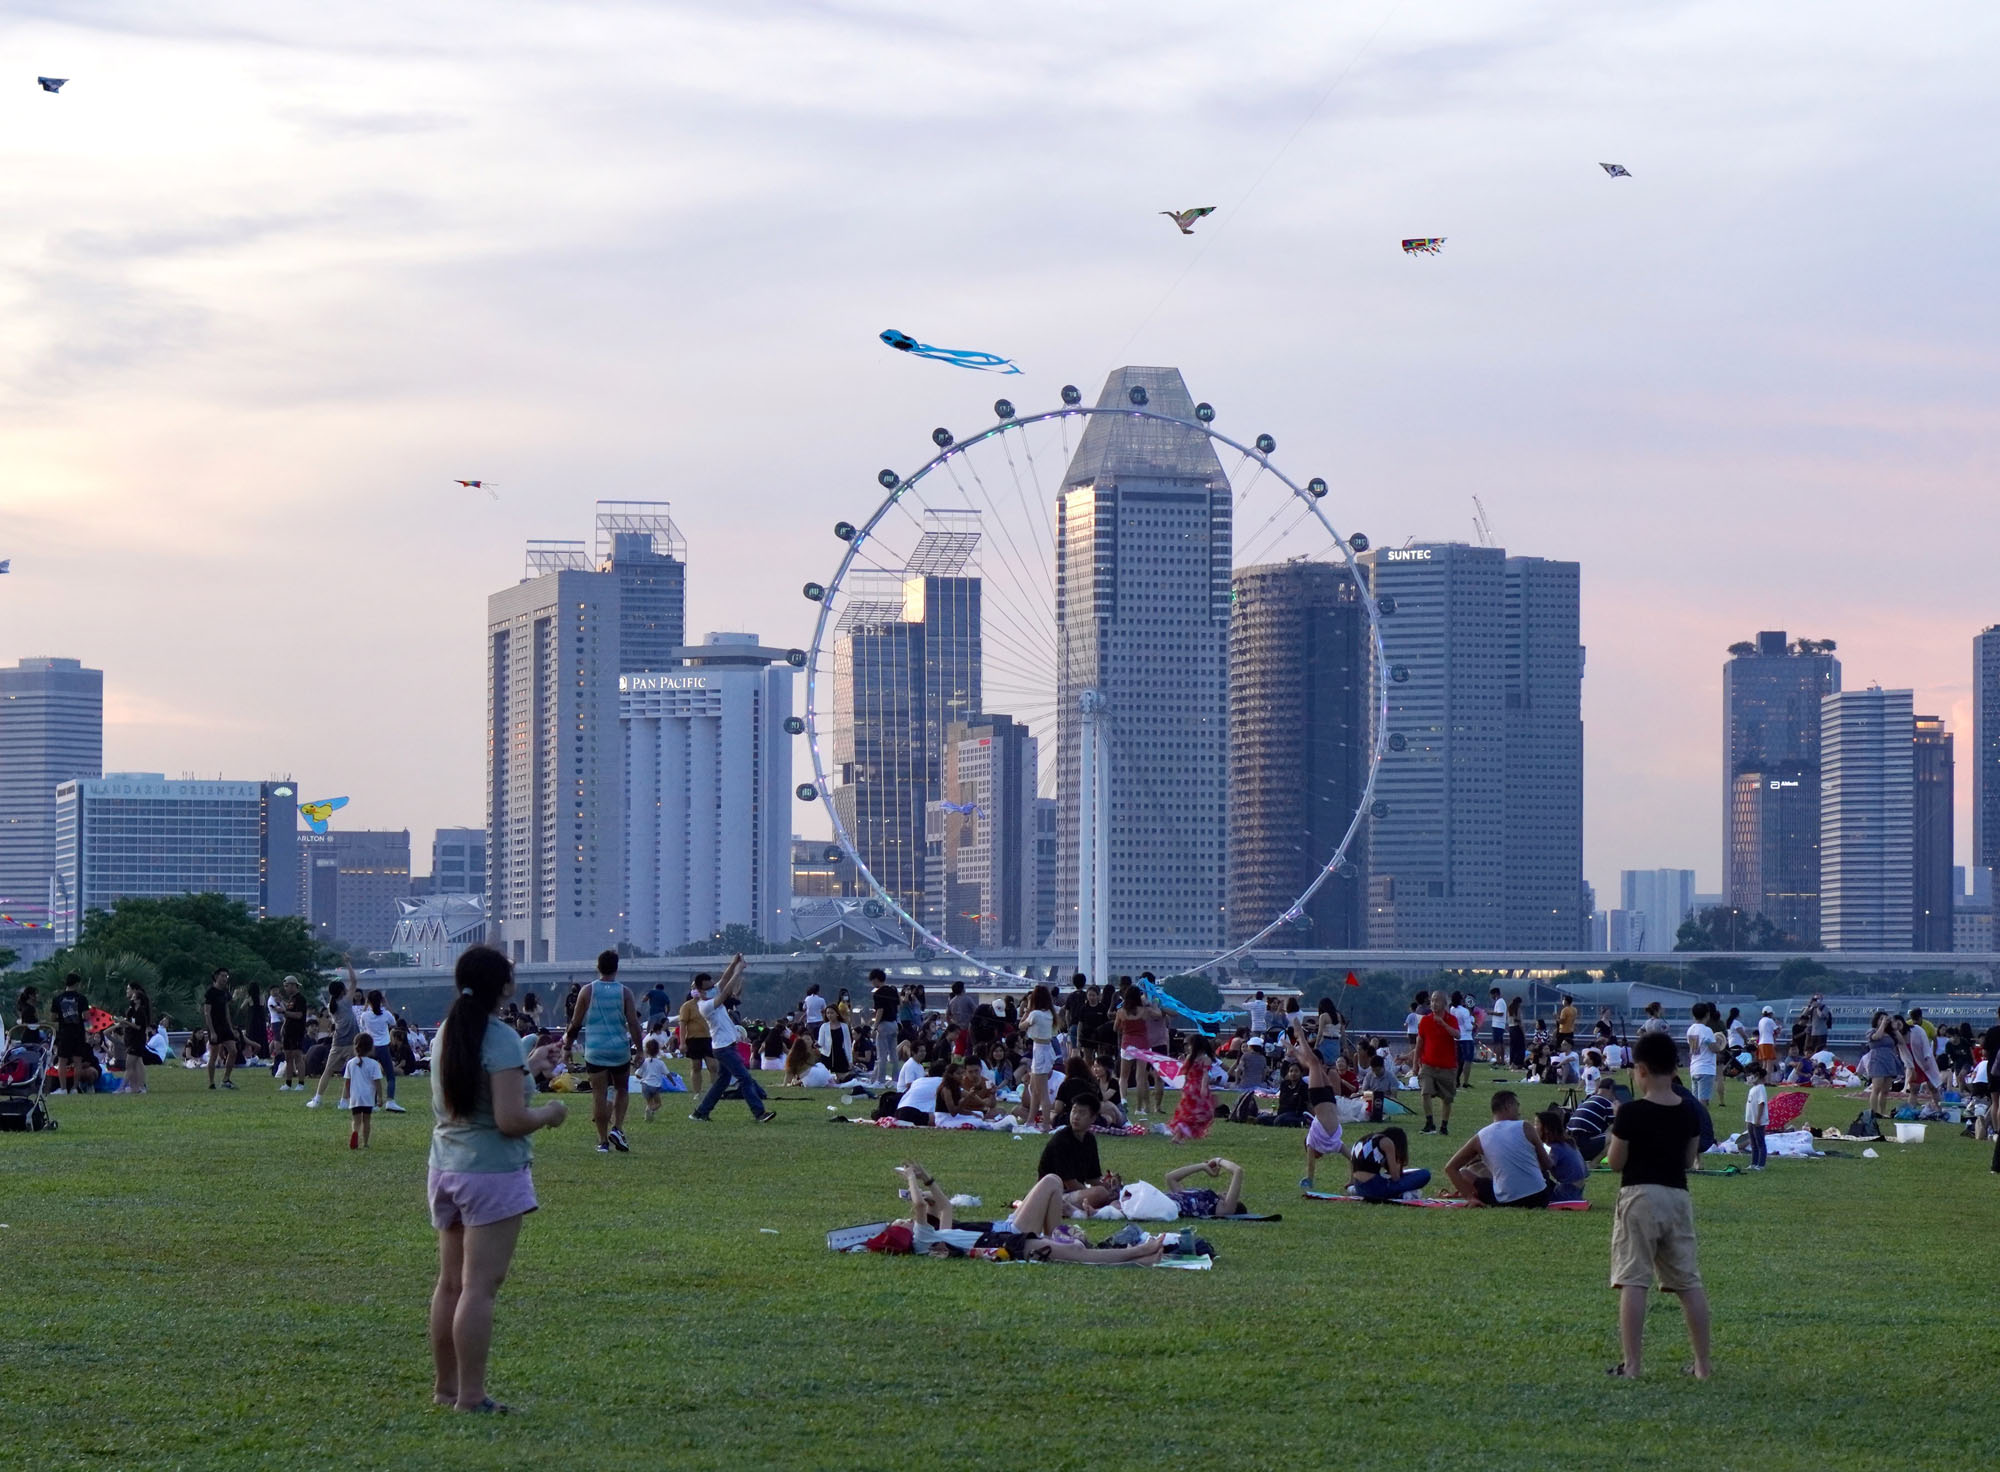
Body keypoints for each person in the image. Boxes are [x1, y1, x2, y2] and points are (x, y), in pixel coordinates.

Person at [427, 944, 567, 1413]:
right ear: (504, 987)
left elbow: (476, 1092)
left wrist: (529, 1069)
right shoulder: (501, 1036)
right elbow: (509, 1120)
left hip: (447, 1168)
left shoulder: (448, 1031)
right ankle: (471, 1396)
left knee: (450, 1284)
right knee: (479, 1287)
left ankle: (446, 1389)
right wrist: (549, 1112)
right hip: (490, 1173)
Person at [1606, 1028, 1711, 1380]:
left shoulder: (1631, 1113)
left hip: (1638, 1196)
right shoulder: (1690, 1111)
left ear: (1641, 1070)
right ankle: (1702, 1366)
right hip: (1677, 1197)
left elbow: (1616, 1161)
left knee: (1634, 1280)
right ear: (1674, 1068)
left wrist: (1618, 1127)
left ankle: (1632, 1365)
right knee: (1688, 1283)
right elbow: (1686, 1159)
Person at [564, 950, 643, 1154]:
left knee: (599, 1095)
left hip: (596, 1051)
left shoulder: (587, 991)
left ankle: (602, 1141)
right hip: (619, 1050)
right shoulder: (625, 992)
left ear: (597, 967)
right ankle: (617, 1128)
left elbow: (575, 1023)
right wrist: (640, 1050)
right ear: (617, 968)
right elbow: (633, 1024)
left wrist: (567, 1047)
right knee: (621, 1089)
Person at [688, 956, 775, 1123]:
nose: (714, 987)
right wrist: (739, 970)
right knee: (744, 1078)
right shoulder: (705, 1006)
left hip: (726, 1046)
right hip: (723, 1048)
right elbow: (727, 991)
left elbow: (724, 979)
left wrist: (734, 963)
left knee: (722, 1082)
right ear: (701, 990)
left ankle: (700, 1113)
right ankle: (759, 1113)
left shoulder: (710, 993)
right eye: (709, 987)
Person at [1445, 1091, 1556, 1208]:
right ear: (1508, 1106)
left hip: (1506, 1200)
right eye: (1517, 1106)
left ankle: (1474, 1199)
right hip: (1539, 1197)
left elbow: (1450, 1168)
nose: (1519, 1112)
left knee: (1464, 1172)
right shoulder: (1526, 1127)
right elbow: (1547, 1164)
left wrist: (1469, 1197)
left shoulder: (1480, 1137)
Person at [1036, 1095, 1121, 1209]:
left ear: (1093, 1118)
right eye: (1074, 1111)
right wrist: (1096, 1192)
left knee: (1112, 1192)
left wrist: (1109, 1186)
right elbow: (1070, 1183)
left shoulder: (1089, 1139)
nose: (1075, 1117)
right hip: (1054, 1194)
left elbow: (1093, 1177)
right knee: (1099, 1194)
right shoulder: (1061, 1140)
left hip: (1074, 1192)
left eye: (1082, 1113)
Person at [306, 962, 361, 1109]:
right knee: (350, 1073)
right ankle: (344, 1101)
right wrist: (348, 963)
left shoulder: (332, 1006)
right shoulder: (346, 1001)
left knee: (328, 1071)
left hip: (337, 1043)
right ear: (343, 991)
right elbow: (354, 981)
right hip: (352, 1042)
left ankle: (317, 1099)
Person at [353, 990, 407, 1113]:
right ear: (381, 1001)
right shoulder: (386, 1014)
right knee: (390, 1077)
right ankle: (390, 1101)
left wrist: (366, 1005)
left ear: (369, 1001)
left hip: (370, 1048)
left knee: (372, 1077)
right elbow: (394, 1022)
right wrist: (386, 1004)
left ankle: (373, 1102)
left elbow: (362, 1025)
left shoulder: (365, 1015)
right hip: (383, 1047)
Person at [1415, 991, 1460, 1136]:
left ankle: (1444, 1126)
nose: (1434, 1004)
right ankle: (1429, 1122)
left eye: (1437, 1001)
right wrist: (1415, 1064)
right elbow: (1419, 1042)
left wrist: (1444, 1024)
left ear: (1444, 1003)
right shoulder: (1425, 1021)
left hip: (1447, 1066)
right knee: (1425, 1092)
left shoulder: (1451, 1019)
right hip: (1428, 1064)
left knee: (1447, 1098)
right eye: (1432, 1001)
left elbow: (1457, 1035)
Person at [1346, 1127, 1429, 1201]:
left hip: (1359, 1187)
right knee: (1424, 1174)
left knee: (1403, 1175)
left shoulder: (1363, 1140)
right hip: (1375, 1187)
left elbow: (1352, 1161)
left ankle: (1353, 1190)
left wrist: (1351, 1182)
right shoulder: (1387, 1142)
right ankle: (1402, 1194)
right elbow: (1395, 1177)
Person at [49, 973, 91, 1095]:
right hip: (78, 1032)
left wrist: (62, 1018)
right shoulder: (82, 998)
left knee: (62, 1061)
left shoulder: (57, 999)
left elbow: (53, 1017)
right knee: (78, 1061)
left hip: (64, 1032)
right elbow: (86, 1016)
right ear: (77, 983)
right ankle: (74, 1088)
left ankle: (62, 1089)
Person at [1161, 1157, 1246, 1218]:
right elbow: (1170, 1177)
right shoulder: (1193, 1200)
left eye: (1228, 1195)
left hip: (1165, 1206)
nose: (1226, 1192)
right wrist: (1203, 1166)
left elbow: (1238, 1171)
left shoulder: (1226, 1210)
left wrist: (1218, 1160)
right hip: (1159, 1198)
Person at [1168, 1035, 1216, 1142]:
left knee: (1188, 1112)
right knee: (1204, 1113)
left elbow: (1185, 1073)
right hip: (1197, 1088)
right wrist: (1204, 1087)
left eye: (1189, 1045)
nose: (1188, 1047)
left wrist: (1185, 1086)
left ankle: (1179, 1136)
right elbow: (1205, 1075)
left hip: (1189, 1087)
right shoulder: (1206, 1059)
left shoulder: (1190, 1057)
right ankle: (1184, 1131)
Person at [343, 1033, 387, 1149]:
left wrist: (346, 1095)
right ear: (371, 1047)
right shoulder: (374, 1064)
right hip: (368, 1097)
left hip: (355, 1097)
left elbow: (347, 1082)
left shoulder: (351, 1063)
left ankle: (355, 1133)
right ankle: (366, 1143)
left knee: (356, 1120)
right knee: (366, 1120)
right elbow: (377, 1082)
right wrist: (380, 1097)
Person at [1539, 1109, 1588, 1203]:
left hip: (1567, 1192)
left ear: (1546, 1129)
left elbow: (1546, 1166)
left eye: (1537, 1124)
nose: (1533, 1127)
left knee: (1537, 1174)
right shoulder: (1567, 1142)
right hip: (1577, 1190)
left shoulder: (1555, 1148)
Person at [1569, 1074, 1620, 1161]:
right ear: (1611, 1089)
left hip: (1571, 1147)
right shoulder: (1606, 1104)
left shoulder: (1589, 1100)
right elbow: (1621, 1125)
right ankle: (1593, 1164)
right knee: (1618, 1136)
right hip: (1583, 1146)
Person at [1861, 1011, 1899, 1123]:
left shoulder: (1890, 1034)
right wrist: (1882, 1024)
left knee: (1886, 1089)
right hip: (1877, 1059)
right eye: (1881, 1018)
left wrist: (1894, 1028)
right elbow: (1877, 1037)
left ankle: (1882, 1111)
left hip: (1889, 1059)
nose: (1884, 1021)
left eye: (1885, 1019)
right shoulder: (1871, 1031)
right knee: (1876, 1087)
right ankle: (1873, 1111)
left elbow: (1899, 1042)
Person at [204, 968, 239, 1091]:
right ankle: (211, 1082)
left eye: (226, 976)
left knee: (233, 1050)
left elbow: (227, 1010)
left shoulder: (225, 992)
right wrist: (212, 1031)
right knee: (213, 1055)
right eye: (222, 976)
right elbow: (207, 1013)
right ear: (216, 977)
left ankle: (226, 1079)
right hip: (215, 1026)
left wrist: (231, 1027)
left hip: (225, 1026)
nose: (224, 978)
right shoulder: (210, 992)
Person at [1684, 1003, 1719, 1108]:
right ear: (1707, 1015)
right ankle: (1702, 1122)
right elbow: (1714, 1048)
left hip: (1695, 1068)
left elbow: (1694, 1050)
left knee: (1695, 1101)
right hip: (1706, 1069)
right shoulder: (1707, 1030)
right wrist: (1719, 1045)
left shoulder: (1691, 1029)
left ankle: (1696, 1122)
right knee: (1703, 1102)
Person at [121, 980, 153, 1096]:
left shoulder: (139, 1010)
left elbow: (137, 1025)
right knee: (137, 1062)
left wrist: (125, 1022)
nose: (127, 991)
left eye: (128, 989)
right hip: (132, 1038)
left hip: (136, 1039)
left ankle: (140, 1085)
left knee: (136, 1062)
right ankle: (136, 1085)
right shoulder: (134, 1008)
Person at [1742, 1063, 1769, 1171]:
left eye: (1750, 1074)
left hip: (1758, 1121)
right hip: (1750, 1120)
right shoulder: (1753, 1088)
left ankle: (1761, 1164)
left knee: (1760, 1142)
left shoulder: (1760, 1088)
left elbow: (1761, 1103)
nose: (1748, 1077)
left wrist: (1758, 1118)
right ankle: (1753, 1163)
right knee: (1753, 1143)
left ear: (1757, 1075)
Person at [1449, 993, 1477, 1086]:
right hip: (1466, 1038)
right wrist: (1474, 1026)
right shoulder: (1465, 1011)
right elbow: (1468, 1027)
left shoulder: (1452, 1009)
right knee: (1467, 1060)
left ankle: (1455, 1080)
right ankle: (1465, 1081)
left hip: (1456, 1037)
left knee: (1458, 1061)